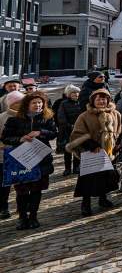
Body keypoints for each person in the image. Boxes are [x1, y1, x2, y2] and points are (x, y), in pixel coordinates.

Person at [1, 91, 57, 230]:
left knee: (36, 190)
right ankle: (22, 217)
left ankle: (33, 216)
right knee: (22, 190)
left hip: (40, 158)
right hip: (21, 159)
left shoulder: (47, 118)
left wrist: (41, 132)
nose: (38, 105)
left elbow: (54, 133)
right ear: (27, 104)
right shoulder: (14, 119)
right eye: (34, 103)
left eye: (40, 103)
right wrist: (20, 138)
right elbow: (5, 138)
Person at [68, 88, 122, 215]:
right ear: (93, 101)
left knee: (106, 177)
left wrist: (119, 144)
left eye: (104, 99)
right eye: (98, 99)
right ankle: (85, 204)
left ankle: (103, 199)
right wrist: (91, 145)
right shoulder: (84, 116)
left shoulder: (116, 114)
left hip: (109, 152)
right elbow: (77, 134)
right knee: (88, 179)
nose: (101, 101)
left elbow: (120, 130)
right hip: (92, 152)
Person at [0, 91, 25, 219]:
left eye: (21, 102)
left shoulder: (27, 116)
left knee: (22, 183)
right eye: (16, 103)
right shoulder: (2, 117)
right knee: (4, 184)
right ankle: (3, 207)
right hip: (4, 156)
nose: (19, 105)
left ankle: (21, 208)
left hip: (23, 156)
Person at [54, 85, 81, 176]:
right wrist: (69, 125)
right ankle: (67, 168)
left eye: (77, 93)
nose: (76, 94)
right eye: (73, 93)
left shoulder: (81, 103)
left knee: (77, 149)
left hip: (78, 130)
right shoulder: (63, 103)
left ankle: (76, 167)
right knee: (67, 151)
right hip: (66, 131)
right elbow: (61, 117)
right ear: (69, 94)